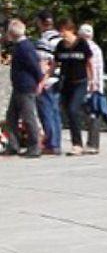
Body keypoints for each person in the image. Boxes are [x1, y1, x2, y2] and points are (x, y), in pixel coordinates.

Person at [54, 19, 93, 157]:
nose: (62, 34)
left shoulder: (82, 44)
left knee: (72, 110)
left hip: (80, 82)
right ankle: (76, 142)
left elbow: (89, 63)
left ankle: (77, 145)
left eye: (64, 31)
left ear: (71, 30)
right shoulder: (60, 46)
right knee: (69, 112)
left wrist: (92, 80)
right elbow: (54, 64)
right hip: (66, 83)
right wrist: (43, 80)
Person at [6, 19, 44, 158]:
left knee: (29, 117)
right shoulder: (20, 46)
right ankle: (13, 145)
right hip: (18, 87)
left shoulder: (25, 47)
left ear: (12, 32)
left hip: (26, 87)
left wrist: (40, 81)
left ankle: (35, 147)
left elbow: (35, 66)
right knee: (11, 117)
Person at [33, 11, 61, 155]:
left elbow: (43, 62)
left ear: (40, 22)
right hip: (59, 79)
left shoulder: (44, 40)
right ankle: (57, 142)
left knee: (46, 112)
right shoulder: (60, 38)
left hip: (47, 81)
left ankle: (51, 143)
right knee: (56, 112)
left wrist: (40, 81)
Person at [80, 23, 107, 145]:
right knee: (94, 113)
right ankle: (93, 142)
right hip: (96, 85)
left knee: (88, 113)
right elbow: (99, 69)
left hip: (86, 84)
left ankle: (90, 142)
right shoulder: (97, 48)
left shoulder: (82, 48)